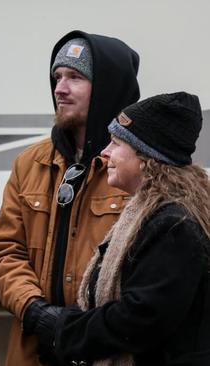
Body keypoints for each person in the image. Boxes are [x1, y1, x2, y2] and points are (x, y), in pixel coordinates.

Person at [0, 30, 140, 366]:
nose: (60, 88)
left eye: (75, 77)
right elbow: (4, 250)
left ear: (107, 88)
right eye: (57, 77)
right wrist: (35, 311)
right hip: (36, 349)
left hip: (110, 351)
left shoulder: (143, 169)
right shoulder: (31, 163)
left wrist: (95, 327)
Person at [44, 92, 210, 365]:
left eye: (117, 143)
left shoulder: (173, 225)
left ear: (147, 158)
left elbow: (142, 318)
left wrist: (65, 330)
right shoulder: (152, 213)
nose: (105, 152)